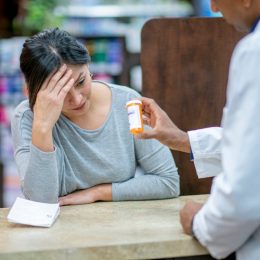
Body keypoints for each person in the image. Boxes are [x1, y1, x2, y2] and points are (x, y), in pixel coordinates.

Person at [137, 0, 260, 259]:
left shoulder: (254, 52)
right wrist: (182, 140)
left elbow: (246, 187)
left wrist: (199, 222)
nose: (214, 7)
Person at [11, 28, 180, 206]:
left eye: (81, 82)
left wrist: (97, 193)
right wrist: (43, 126)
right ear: (36, 92)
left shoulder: (127, 102)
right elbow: (39, 202)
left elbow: (168, 182)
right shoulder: (27, 117)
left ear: (88, 66)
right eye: (61, 92)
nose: (76, 99)